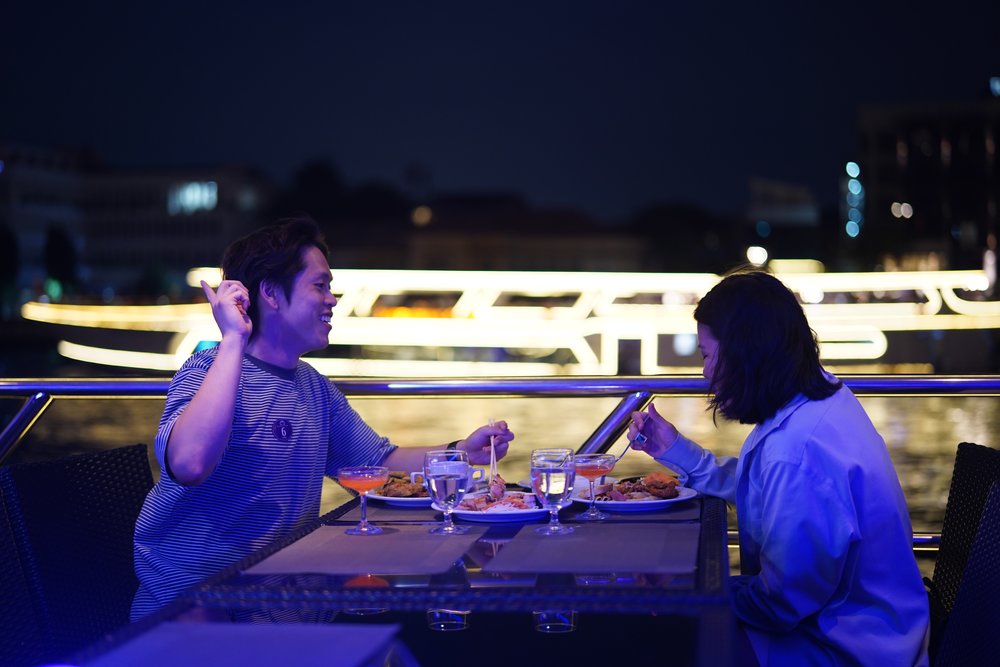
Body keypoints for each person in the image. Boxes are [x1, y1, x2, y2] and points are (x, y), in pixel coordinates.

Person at [131, 217, 514, 619]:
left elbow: (380, 462)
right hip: (196, 611)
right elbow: (190, 464)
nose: (332, 300)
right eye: (320, 285)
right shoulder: (209, 370)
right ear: (271, 294)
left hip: (281, 598)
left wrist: (461, 453)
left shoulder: (312, 387)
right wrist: (232, 339)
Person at [627, 271, 929, 666]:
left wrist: (693, 596)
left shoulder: (795, 450)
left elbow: (783, 604)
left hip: (843, 649)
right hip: (873, 627)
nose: (704, 373)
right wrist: (674, 449)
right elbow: (766, 489)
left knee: (660, 642)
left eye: (706, 355)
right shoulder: (818, 400)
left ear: (743, 353)